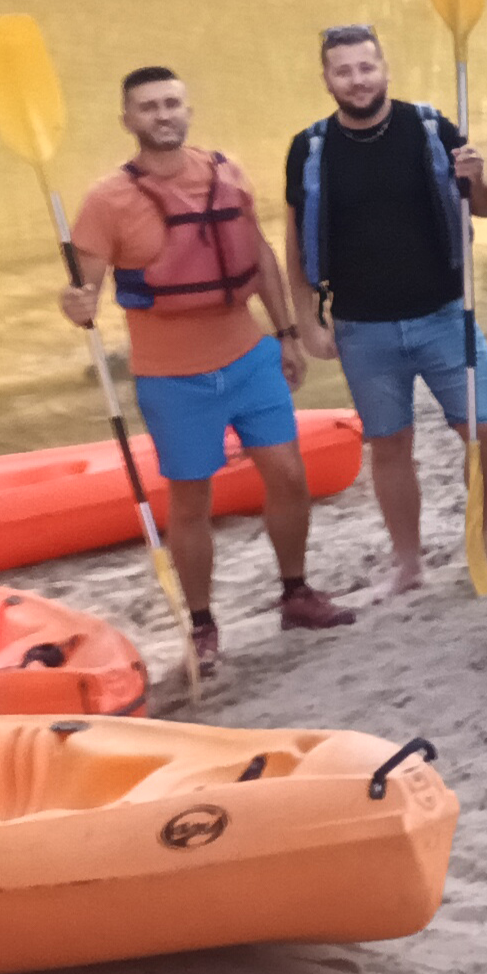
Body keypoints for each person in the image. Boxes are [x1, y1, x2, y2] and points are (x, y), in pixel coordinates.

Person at [62, 65, 350, 666]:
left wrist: (286, 335)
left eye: (171, 103)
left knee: (289, 476)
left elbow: (260, 256)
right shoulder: (107, 200)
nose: (163, 114)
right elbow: (82, 294)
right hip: (171, 377)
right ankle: (201, 625)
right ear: (127, 119)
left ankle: (296, 593)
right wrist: (76, 306)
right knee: (191, 501)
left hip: (248, 357)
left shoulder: (227, 172)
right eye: (148, 106)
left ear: (187, 110)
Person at [286, 24, 487, 598]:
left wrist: (478, 178)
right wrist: (306, 321)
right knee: (390, 446)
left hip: (444, 315)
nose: (357, 80)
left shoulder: (430, 128)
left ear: (384, 68)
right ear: (327, 79)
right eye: (344, 71)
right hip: (361, 328)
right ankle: (408, 563)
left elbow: (486, 207)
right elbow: (295, 243)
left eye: (366, 67)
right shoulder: (310, 148)